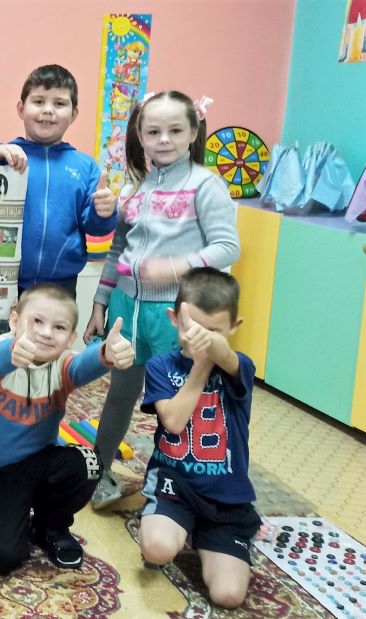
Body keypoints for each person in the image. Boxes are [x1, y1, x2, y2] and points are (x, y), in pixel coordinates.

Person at [85, 91, 240, 509]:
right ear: (140, 134)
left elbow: (227, 247)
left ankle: (169, 487)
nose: (164, 139)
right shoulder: (136, 188)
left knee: (176, 403)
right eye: (153, 131)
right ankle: (98, 474)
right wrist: (100, 302)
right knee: (119, 394)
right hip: (126, 308)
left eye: (175, 130)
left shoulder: (206, 185)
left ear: (193, 132)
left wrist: (173, 267)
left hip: (176, 314)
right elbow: (117, 251)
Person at [0, 284, 134, 574]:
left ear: (70, 338)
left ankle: (51, 526)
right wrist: (13, 351)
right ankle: (7, 513)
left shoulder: (63, 363)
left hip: (40, 462)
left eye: (59, 327)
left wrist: (106, 353)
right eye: (36, 321)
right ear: (15, 320)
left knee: (90, 463)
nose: (45, 332)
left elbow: (81, 367)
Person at [137, 268, 258, 609]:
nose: (201, 339)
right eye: (193, 328)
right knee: (157, 549)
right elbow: (173, 421)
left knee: (228, 596)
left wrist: (211, 350)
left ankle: (213, 538)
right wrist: (201, 365)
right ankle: (172, 525)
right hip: (175, 487)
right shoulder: (161, 366)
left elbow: (225, 355)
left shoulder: (240, 367)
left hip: (226, 499)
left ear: (234, 328)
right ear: (174, 318)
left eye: (214, 332)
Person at [0, 65, 117, 295]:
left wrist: (104, 212)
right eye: (39, 101)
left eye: (60, 104)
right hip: (2, 280)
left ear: (74, 114)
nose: (48, 110)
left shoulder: (85, 167)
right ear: (22, 108)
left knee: (52, 333)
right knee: (3, 333)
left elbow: (95, 226)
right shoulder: (8, 155)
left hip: (61, 285)